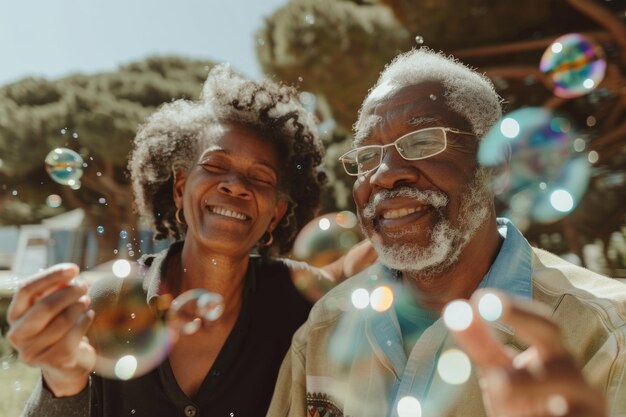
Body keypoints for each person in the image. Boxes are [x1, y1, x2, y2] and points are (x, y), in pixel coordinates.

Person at [267, 48, 626, 417]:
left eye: (423, 142)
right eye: (368, 155)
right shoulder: (323, 329)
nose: (385, 174)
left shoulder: (609, 334)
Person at [6, 64, 373, 417]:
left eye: (260, 177)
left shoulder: (300, 303)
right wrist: (63, 380)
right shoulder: (111, 301)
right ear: (180, 189)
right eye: (214, 167)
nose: (235, 185)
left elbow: (360, 265)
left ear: (275, 214)